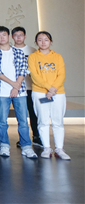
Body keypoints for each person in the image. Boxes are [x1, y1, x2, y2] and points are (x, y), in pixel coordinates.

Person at [0, 26, 37, 159]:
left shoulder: (18, 52)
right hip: (1, 91)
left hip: (19, 91)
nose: (2, 37)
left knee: (23, 120)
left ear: (8, 36)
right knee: (2, 120)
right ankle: (4, 145)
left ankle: (26, 146)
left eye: (4, 34)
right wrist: (12, 84)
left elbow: (23, 69)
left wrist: (16, 86)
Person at [29, 31, 70, 160]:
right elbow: (34, 76)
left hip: (58, 93)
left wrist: (53, 89)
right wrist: (49, 88)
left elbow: (61, 75)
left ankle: (59, 149)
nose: (43, 42)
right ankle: (46, 148)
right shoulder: (33, 57)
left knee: (58, 121)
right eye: (40, 40)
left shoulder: (58, 57)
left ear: (50, 41)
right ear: (36, 42)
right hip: (40, 92)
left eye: (46, 39)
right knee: (43, 121)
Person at [12, 26, 42, 148]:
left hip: (31, 87)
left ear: (25, 36)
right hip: (17, 88)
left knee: (34, 113)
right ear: (12, 37)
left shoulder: (32, 50)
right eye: (16, 35)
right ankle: (23, 138)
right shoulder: (10, 50)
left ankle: (36, 136)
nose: (18, 37)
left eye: (21, 35)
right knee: (21, 115)